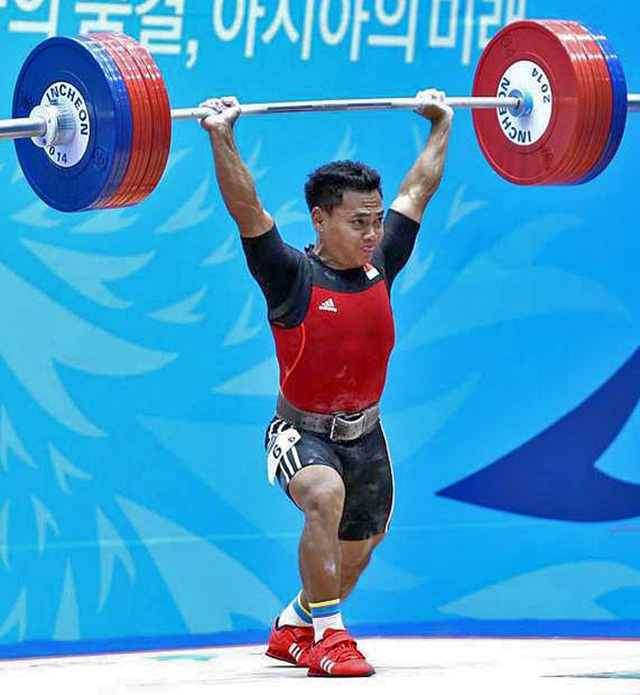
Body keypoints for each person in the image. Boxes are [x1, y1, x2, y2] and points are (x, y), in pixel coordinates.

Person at [200, 89, 453, 678]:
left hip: (367, 433)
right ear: (319, 218)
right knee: (323, 496)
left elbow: (419, 189)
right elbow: (247, 209)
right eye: (357, 220)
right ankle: (330, 639)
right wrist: (221, 134)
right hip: (300, 431)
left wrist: (442, 124)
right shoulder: (289, 273)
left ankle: (293, 625)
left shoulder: (381, 260)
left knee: (358, 550)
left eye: (376, 218)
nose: (372, 231)